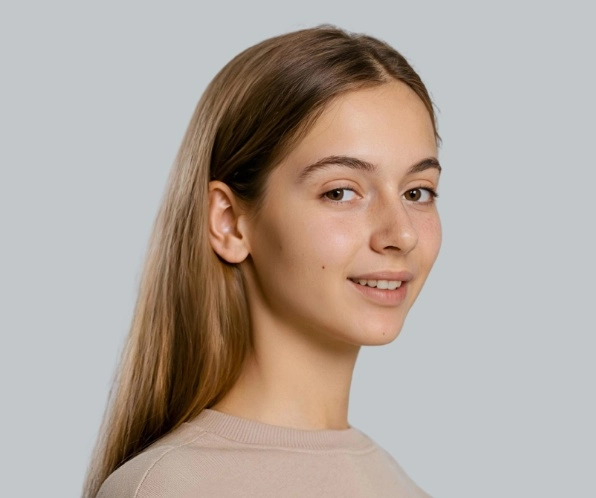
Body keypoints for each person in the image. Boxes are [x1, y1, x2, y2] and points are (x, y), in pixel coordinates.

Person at [84, 25, 441, 498]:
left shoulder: (401, 487)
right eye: (340, 191)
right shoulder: (165, 487)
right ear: (229, 222)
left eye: (417, 192)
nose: (401, 234)